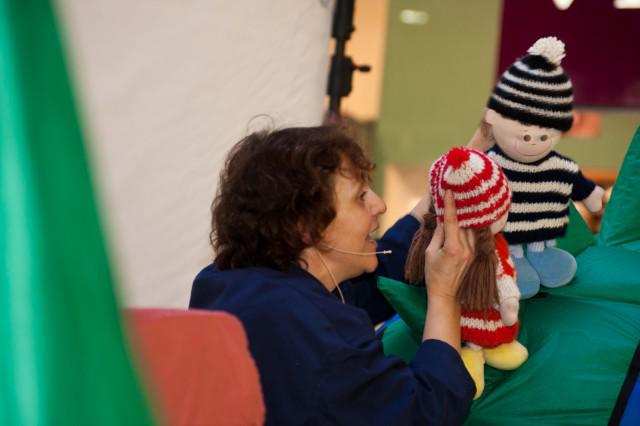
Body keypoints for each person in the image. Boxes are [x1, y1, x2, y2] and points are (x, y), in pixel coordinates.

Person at [189, 126, 476, 425]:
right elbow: (426, 411)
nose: (379, 205)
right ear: (306, 227)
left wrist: (451, 182)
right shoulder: (307, 327)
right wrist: (444, 297)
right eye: (360, 196)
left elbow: (382, 275)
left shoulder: (227, 281)